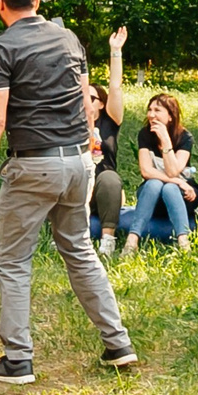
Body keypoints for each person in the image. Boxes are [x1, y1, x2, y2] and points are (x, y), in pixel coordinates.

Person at [0, 0, 135, 384]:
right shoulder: (69, 39)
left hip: (33, 165)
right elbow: (86, 102)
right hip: (78, 161)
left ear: (1, 3)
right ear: (37, 2)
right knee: (79, 251)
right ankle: (118, 343)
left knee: (14, 262)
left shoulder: (2, 48)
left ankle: (18, 360)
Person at [124, 92, 197, 252]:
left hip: (182, 197)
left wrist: (165, 140)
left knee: (169, 188)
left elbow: (173, 170)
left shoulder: (185, 137)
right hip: (153, 196)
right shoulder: (145, 134)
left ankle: (184, 242)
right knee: (154, 184)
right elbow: (146, 171)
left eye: (157, 110)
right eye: (149, 110)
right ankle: (131, 241)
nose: (151, 115)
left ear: (170, 116)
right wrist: (178, 181)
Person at [83, 28, 129, 258]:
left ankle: (108, 240)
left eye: (90, 98)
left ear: (101, 103)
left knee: (110, 177)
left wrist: (115, 51)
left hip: (103, 188)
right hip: (79, 187)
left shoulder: (110, 120)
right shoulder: (71, 122)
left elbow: (115, 87)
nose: (84, 101)